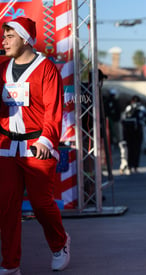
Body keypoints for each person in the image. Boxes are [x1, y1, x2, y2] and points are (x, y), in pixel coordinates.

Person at [0, 17, 70, 273]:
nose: (4, 41)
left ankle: (60, 243)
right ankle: (10, 264)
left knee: (41, 204)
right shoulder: (1, 68)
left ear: (25, 39)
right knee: (5, 207)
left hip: (36, 146)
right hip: (6, 148)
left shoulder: (46, 69)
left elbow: (53, 111)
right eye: (4, 36)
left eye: (10, 36)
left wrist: (45, 140)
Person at [121, 95, 146, 174]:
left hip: (128, 132)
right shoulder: (142, 108)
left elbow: (123, 119)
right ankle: (135, 167)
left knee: (129, 149)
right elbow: (145, 119)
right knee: (137, 149)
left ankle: (129, 167)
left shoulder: (128, 108)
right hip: (137, 131)